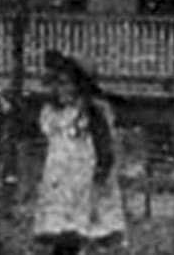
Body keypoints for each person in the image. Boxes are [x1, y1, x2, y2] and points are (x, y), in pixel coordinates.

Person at [33, 50, 125, 254]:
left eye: (68, 84)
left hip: (84, 177)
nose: (62, 90)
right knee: (62, 228)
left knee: (85, 227)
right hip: (60, 177)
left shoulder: (92, 113)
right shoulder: (53, 113)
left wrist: (102, 170)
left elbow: (104, 145)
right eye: (58, 85)